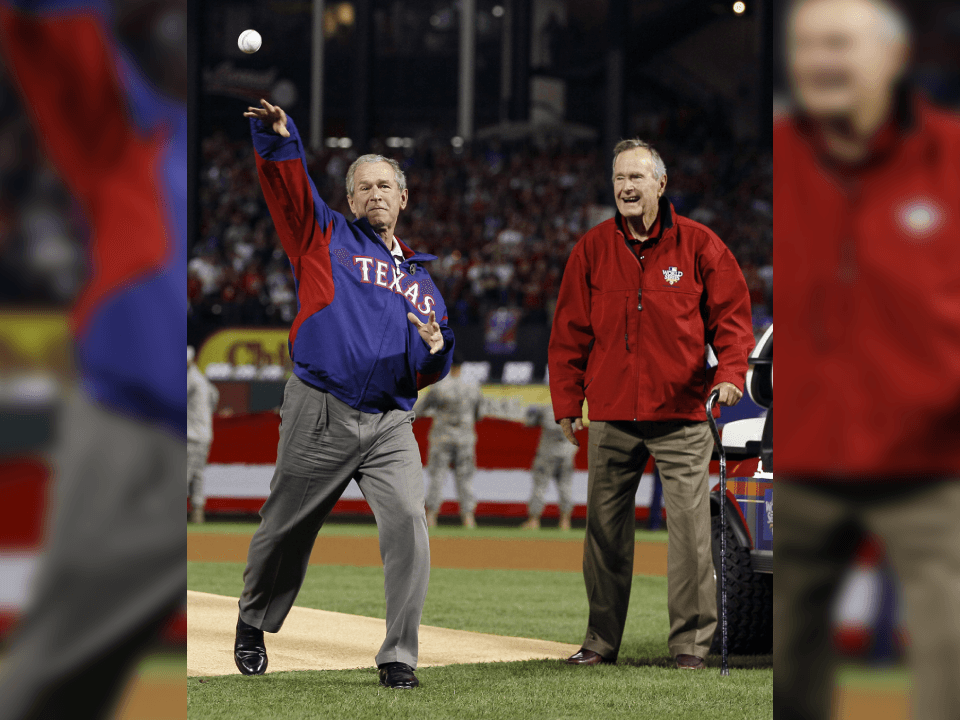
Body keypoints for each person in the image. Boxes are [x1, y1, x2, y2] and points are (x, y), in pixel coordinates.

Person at [0, 0, 186, 717]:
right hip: (129, 429)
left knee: (82, 666)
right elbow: (49, 27)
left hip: (175, 447)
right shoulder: (130, 129)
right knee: (63, 661)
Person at [775, 1, 960, 718]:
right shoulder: (785, 156)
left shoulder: (947, 156)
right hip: (811, 452)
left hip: (928, 456)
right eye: (808, 44)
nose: (821, 59)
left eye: (840, 43)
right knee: (793, 657)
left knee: (945, 644)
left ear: (890, 58)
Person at [235, 99, 454, 691]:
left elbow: (431, 363)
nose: (375, 194)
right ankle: (253, 619)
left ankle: (398, 655)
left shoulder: (422, 281)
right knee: (285, 527)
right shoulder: (322, 235)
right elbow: (289, 192)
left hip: (389, 423)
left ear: (403, 198)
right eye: (363, 187)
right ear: (351, 200)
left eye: (386, 185)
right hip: (321, 406)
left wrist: (435, 347)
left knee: (409, 519)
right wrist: (281, 142)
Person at [548, 138, 754, 670]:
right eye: (619, 178)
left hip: (683, 416)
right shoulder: (591, 248)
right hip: (613, 414)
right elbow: (569, 334)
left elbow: (732, 322)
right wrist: (568, 402)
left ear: (661, 184)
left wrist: (731, 374)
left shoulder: (702, 246)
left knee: (689, 537)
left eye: (637, 177)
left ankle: (689, 646)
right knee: (604, 534)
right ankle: (599, 641)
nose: (626, 187)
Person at [415, 357, 483, 528]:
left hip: (441, 436)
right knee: (465, 478)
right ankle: (468, 518)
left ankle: (431, 517)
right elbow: (479, 415)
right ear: (462, 366)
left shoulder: (438, 386)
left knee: (437, 476)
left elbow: (420, 410)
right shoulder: (473, 386)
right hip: (465, 437)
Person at [520, 404, 577, 530]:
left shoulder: (547, 409)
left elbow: (528, 423)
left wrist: (534, 414)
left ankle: (534, 521)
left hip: (547, 453)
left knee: (540, 486)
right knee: (565, 487)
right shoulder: (574, 409)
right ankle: (565, 522)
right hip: (566, 453)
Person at [187, 346, 219, 524]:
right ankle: (197, 515)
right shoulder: (203, 380)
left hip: (192, 436)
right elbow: (215, 397)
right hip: (204, 435)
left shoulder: (191, 379)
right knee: (197, 476)